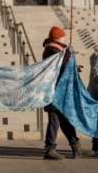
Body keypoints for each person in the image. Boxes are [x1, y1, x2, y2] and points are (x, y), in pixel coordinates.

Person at [42, 26, 81, 160]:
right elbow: (58, 66)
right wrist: (69, 55)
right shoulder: (52, 50)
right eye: (62, 36)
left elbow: (63, 67)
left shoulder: (56, 50)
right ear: (58, 37)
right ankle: (51, 148)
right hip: (54, 91)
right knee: (55, 119)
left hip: (59, 91)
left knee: (63, 119)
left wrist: (73, 65)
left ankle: (74, 145)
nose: (64, 38)